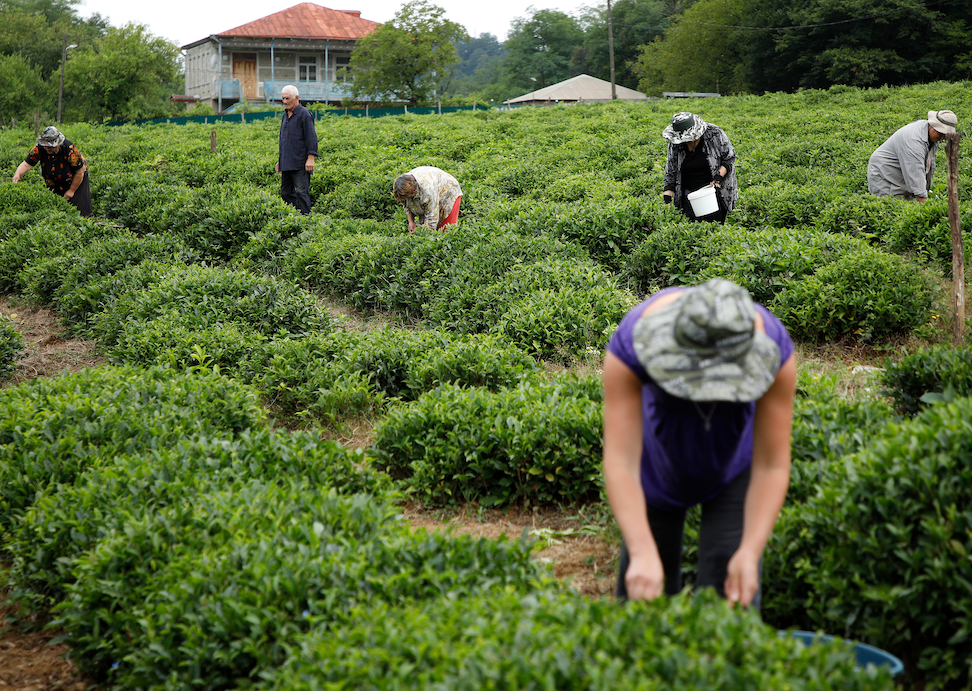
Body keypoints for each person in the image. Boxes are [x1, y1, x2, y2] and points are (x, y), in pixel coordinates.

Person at [602, 277, 796, 608]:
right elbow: (621, 460)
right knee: (642, 602)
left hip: (734, 467)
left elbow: (771, 464)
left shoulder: (775, 352)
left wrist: (750, 552)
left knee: (730, 600)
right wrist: (641, 550)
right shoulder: (631, 346)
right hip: (655, 466)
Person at [867, 109, 958, 202]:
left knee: (908, 202)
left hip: (901, 173)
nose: (942, 138)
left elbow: (928, 165)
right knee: (890, 205)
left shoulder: (931, 136)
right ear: (932, 126)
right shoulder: (913, 140)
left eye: (945, 136)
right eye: (940, 133)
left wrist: (925, 190)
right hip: (885, 173)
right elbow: (915, 170)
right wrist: (922, 200)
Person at [662, 112, 737, 224]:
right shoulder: (676, 141)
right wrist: (667, 198)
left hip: (713, 192)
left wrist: (718, 177)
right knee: (691, 228)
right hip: (689, 194)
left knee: (715, 227)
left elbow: (729, 158)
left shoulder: (714, 133)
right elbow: (671, 170)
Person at [11, 126, 92, 217]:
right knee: (57, 208)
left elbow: (79, 172)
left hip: (76, 179)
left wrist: (71, 191)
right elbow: (27, 164)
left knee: (78, 208)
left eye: (49, 146)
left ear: (57, 144)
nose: (46, 148)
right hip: (54, 181)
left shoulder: (69, 149)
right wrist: (18, 174)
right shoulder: (40, 148)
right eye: (45, 145)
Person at [275, 84, 318, 214]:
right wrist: (280, 161)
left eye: (287, 98)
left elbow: (311, 137)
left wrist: (311, 158)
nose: (285, 102)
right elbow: (284, 141)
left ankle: (306, 219)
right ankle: (292, 217)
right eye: (283, 98)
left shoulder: (304, 114)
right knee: (285, 192)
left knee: (301, 192)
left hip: (300, 162)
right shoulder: (285, 116)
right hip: (286, 162)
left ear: (296, 98)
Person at [392, 167, 462, 232]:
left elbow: (432, 217)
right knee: (422, 228)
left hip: (448, 191)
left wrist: (427, 237)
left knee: (445, 230)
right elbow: (406, 205)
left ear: (414, 191)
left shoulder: (428, 191)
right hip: (431, 187)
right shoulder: (401, 188)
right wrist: (411, 222)